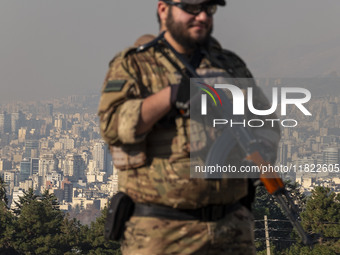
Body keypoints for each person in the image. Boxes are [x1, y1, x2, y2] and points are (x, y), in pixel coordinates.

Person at [98, 0, 280, 254]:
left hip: (231, 227)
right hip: (162, 232)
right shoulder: (134, 65)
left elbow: (266, 121)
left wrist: (260, 148)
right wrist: (169, 96)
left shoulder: (228, 65)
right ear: (164, 10)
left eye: (209, 9)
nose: (203, 16)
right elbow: (112, 125)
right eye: (192, 8)